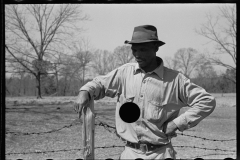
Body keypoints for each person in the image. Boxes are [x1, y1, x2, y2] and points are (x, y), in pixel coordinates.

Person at [74, 25, 216, 159]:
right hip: (129, 153)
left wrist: (177, 123)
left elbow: (206, 101)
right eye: (134, 50)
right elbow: (99, 84)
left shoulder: (175, 80)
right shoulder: (124, 73)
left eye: (143, 49)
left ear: (156, 48)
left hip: (161, 154)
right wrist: (85, 91)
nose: (137, 54)